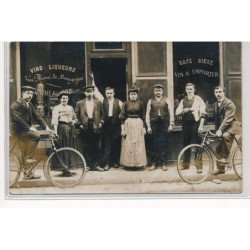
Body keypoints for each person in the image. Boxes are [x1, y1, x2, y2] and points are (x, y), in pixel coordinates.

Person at [10, 85, 51, 179]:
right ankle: (29, 158)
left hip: (24, 131)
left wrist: (46, 127)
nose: (30, 95)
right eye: (28, 93)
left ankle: (28, 174)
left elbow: (37, 116)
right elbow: (18, 119)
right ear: (22, 93)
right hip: (18, 131)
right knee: (35, 136)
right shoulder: (16, 104)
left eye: (32, 93)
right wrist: (29, 128)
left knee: (24, 151)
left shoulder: (30, 104)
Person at [175, 82, 206, 173]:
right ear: (185, 90)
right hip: (185, 125)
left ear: (194, 90)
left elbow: (203, 111)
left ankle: (199, 166)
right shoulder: (183, 100)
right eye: (187, 89)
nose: (189, 91)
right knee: (186, 144)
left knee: (197, 144)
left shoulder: (198, 99)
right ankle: (185, 165)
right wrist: (183, 110)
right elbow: (177, 112)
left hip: (195, 124)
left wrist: (201, 125)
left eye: (191, 89)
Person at [212, 86, 241, 175]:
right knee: (217, 148)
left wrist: (220, 130)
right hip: (224, 127)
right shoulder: (216, 104)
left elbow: (228, 118)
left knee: (225, 136)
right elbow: (216, 119)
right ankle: (221, 169)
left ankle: (227, 158)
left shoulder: (229, 103)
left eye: (220, 92)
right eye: (216, 92)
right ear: (214, 94)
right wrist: (218, 130)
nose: (218, 94)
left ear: (224, 93)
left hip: (232, 126)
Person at [75, 85, 105, 171]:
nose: (89, 94)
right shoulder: (80, 103)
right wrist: (79, 124)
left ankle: (96, 165)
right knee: (86, 147)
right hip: (84, 127)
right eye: (87, 92)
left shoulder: (98, 102)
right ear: (85, 93)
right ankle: (87, 165)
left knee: (96, 146)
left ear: (93, 93)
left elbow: (103, 114)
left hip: (96, 126)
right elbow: (76, 115)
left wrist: (101, 122)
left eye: (91, 92)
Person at [146, 84, 174, 171]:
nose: (157, 92)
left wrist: (171, 124)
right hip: (154, 124)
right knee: (154, 143)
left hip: (164, 124)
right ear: (154, 92)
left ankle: (163, 162)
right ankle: (154, 163)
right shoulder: (150, 101)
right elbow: (147, 114)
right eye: (156, 90)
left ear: (162, 91)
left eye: (159, 90)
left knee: (163, 143)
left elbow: (171, 112)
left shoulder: (167, 100)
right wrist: (148, 126)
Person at [51, 90, 78, 176]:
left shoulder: (70, 108)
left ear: (68, 99)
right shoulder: (57, 108)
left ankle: (69, 167)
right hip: (62, 129)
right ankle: (63, 168)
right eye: (63, 98)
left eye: (66, 98)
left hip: (70, 129)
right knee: (63, 147)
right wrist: (55, 131)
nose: (64, 100)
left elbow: (75, 118)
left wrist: (73, 122)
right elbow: (55, 120)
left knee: (69, 146)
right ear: (60, 99)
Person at [120, 87, 147, 169]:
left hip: (138, 124)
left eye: (134, 94)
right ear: (129, 95)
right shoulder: (125, 104)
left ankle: (138, 164)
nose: (133, 96)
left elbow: (143, 116)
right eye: (131, 94)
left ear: (137, 95)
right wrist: (123, 129)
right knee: (129, 144)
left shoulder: (141, 103)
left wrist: (144, 128)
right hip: (128, 124)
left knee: (138, 144)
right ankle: (128, 164)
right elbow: (122, 117)